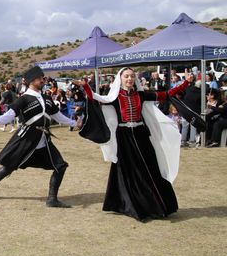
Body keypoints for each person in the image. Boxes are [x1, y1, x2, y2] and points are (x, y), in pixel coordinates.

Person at [74, 67, 190, 221]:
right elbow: (95, 98)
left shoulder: (141, 95)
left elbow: (165, 95)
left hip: (141, 134)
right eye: (126, 76)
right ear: (120, 78)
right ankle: (133, 205)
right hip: (124, 137)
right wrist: (86, 86)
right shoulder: (114, 96)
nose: (129, 79)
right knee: (128, 171)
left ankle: (158, 205)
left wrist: (186, 83)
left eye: (132, 76)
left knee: (150, 168)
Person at [0, 66, 77, 207]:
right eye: (40, 78)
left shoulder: (47, 98)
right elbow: (10, 114)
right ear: (31, 81)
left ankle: (52, 199)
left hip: (43, 140)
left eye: (43, 78)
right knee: (9, 166)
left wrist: (75, 123)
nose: (43, 80)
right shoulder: (24, 99)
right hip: (26, 139)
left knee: (60, 166)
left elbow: (58, 116)